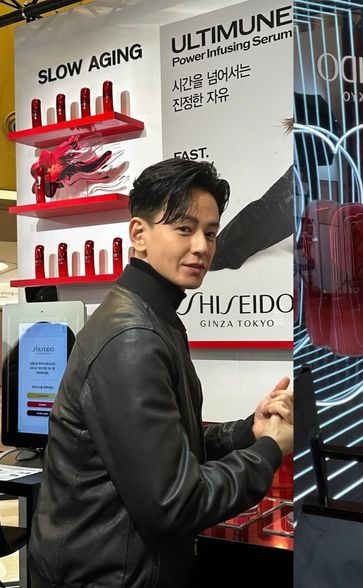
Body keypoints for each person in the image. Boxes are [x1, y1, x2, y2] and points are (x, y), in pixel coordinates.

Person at [28, 158, 294, 587]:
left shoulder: (152, 318)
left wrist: (249, 431)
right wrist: (270, 450)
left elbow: (166, 450)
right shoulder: (132, 337)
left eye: (211, 232)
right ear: (139, 234)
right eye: (184, 228)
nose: (202, 246)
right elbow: (173, 502)